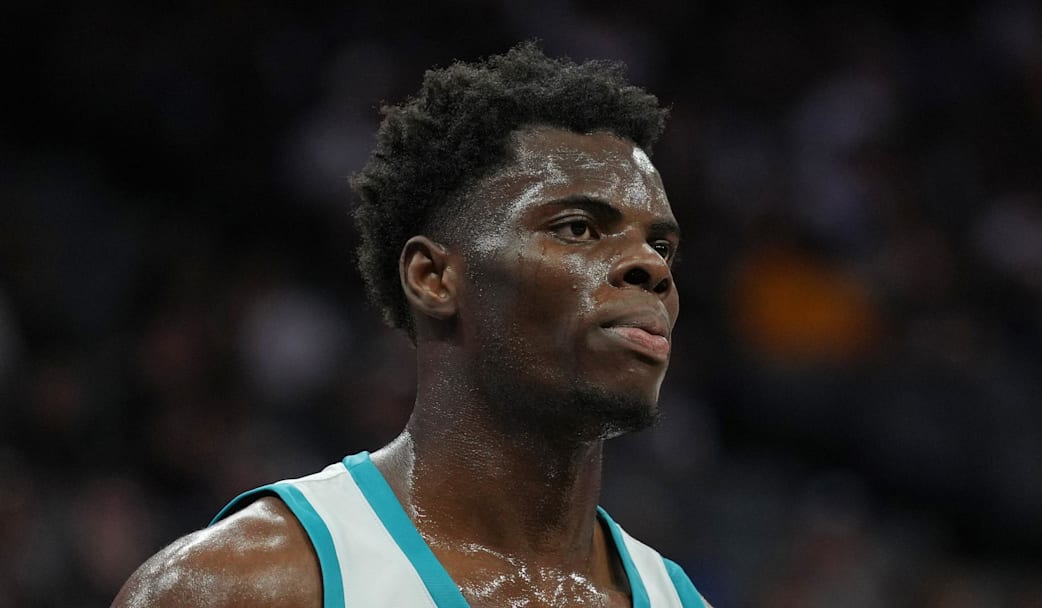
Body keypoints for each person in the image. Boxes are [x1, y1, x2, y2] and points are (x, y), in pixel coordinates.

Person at [112, 42, 711, 608]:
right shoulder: (242, 586)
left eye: (661, 245)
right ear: (433, 278)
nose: (650, 267)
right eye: (577, 228)